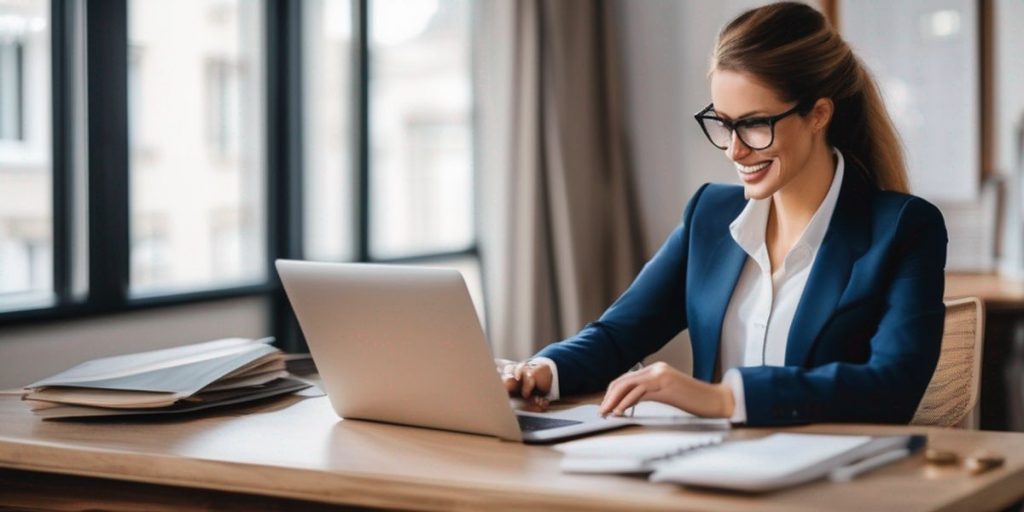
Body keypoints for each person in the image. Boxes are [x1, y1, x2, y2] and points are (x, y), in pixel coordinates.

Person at [498, 1, 948, 426]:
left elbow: (893, 386)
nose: (734, 149)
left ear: (819, 114)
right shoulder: (709, 215)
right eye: (723, 122)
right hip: (711, 474)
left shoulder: (904, 229)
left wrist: (723, 398)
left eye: (754, 124)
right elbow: (619, 334)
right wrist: (542, 369)